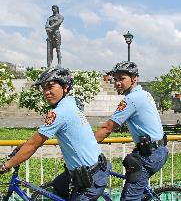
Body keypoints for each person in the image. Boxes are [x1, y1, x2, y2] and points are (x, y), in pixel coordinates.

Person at [0, 67, 109, 201]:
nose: (46, 92)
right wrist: (21, 147)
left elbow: (33, 145)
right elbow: (35, 140)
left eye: (50, 87)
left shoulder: (59, 112)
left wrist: (5, 166)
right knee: (58, 186)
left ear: (65, 87)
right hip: (95, 168)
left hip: (91, 179)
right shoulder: (71, 102)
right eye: (44, 89)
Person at [95, 61, 168, 201]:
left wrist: (86, 146)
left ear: (134, 79)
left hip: (150, 155)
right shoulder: (144, 94)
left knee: (129, 198)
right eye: (115, 79)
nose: (117, 83)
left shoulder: (131, 99)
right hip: (157, 150)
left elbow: (108, 127)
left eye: (121, 78)